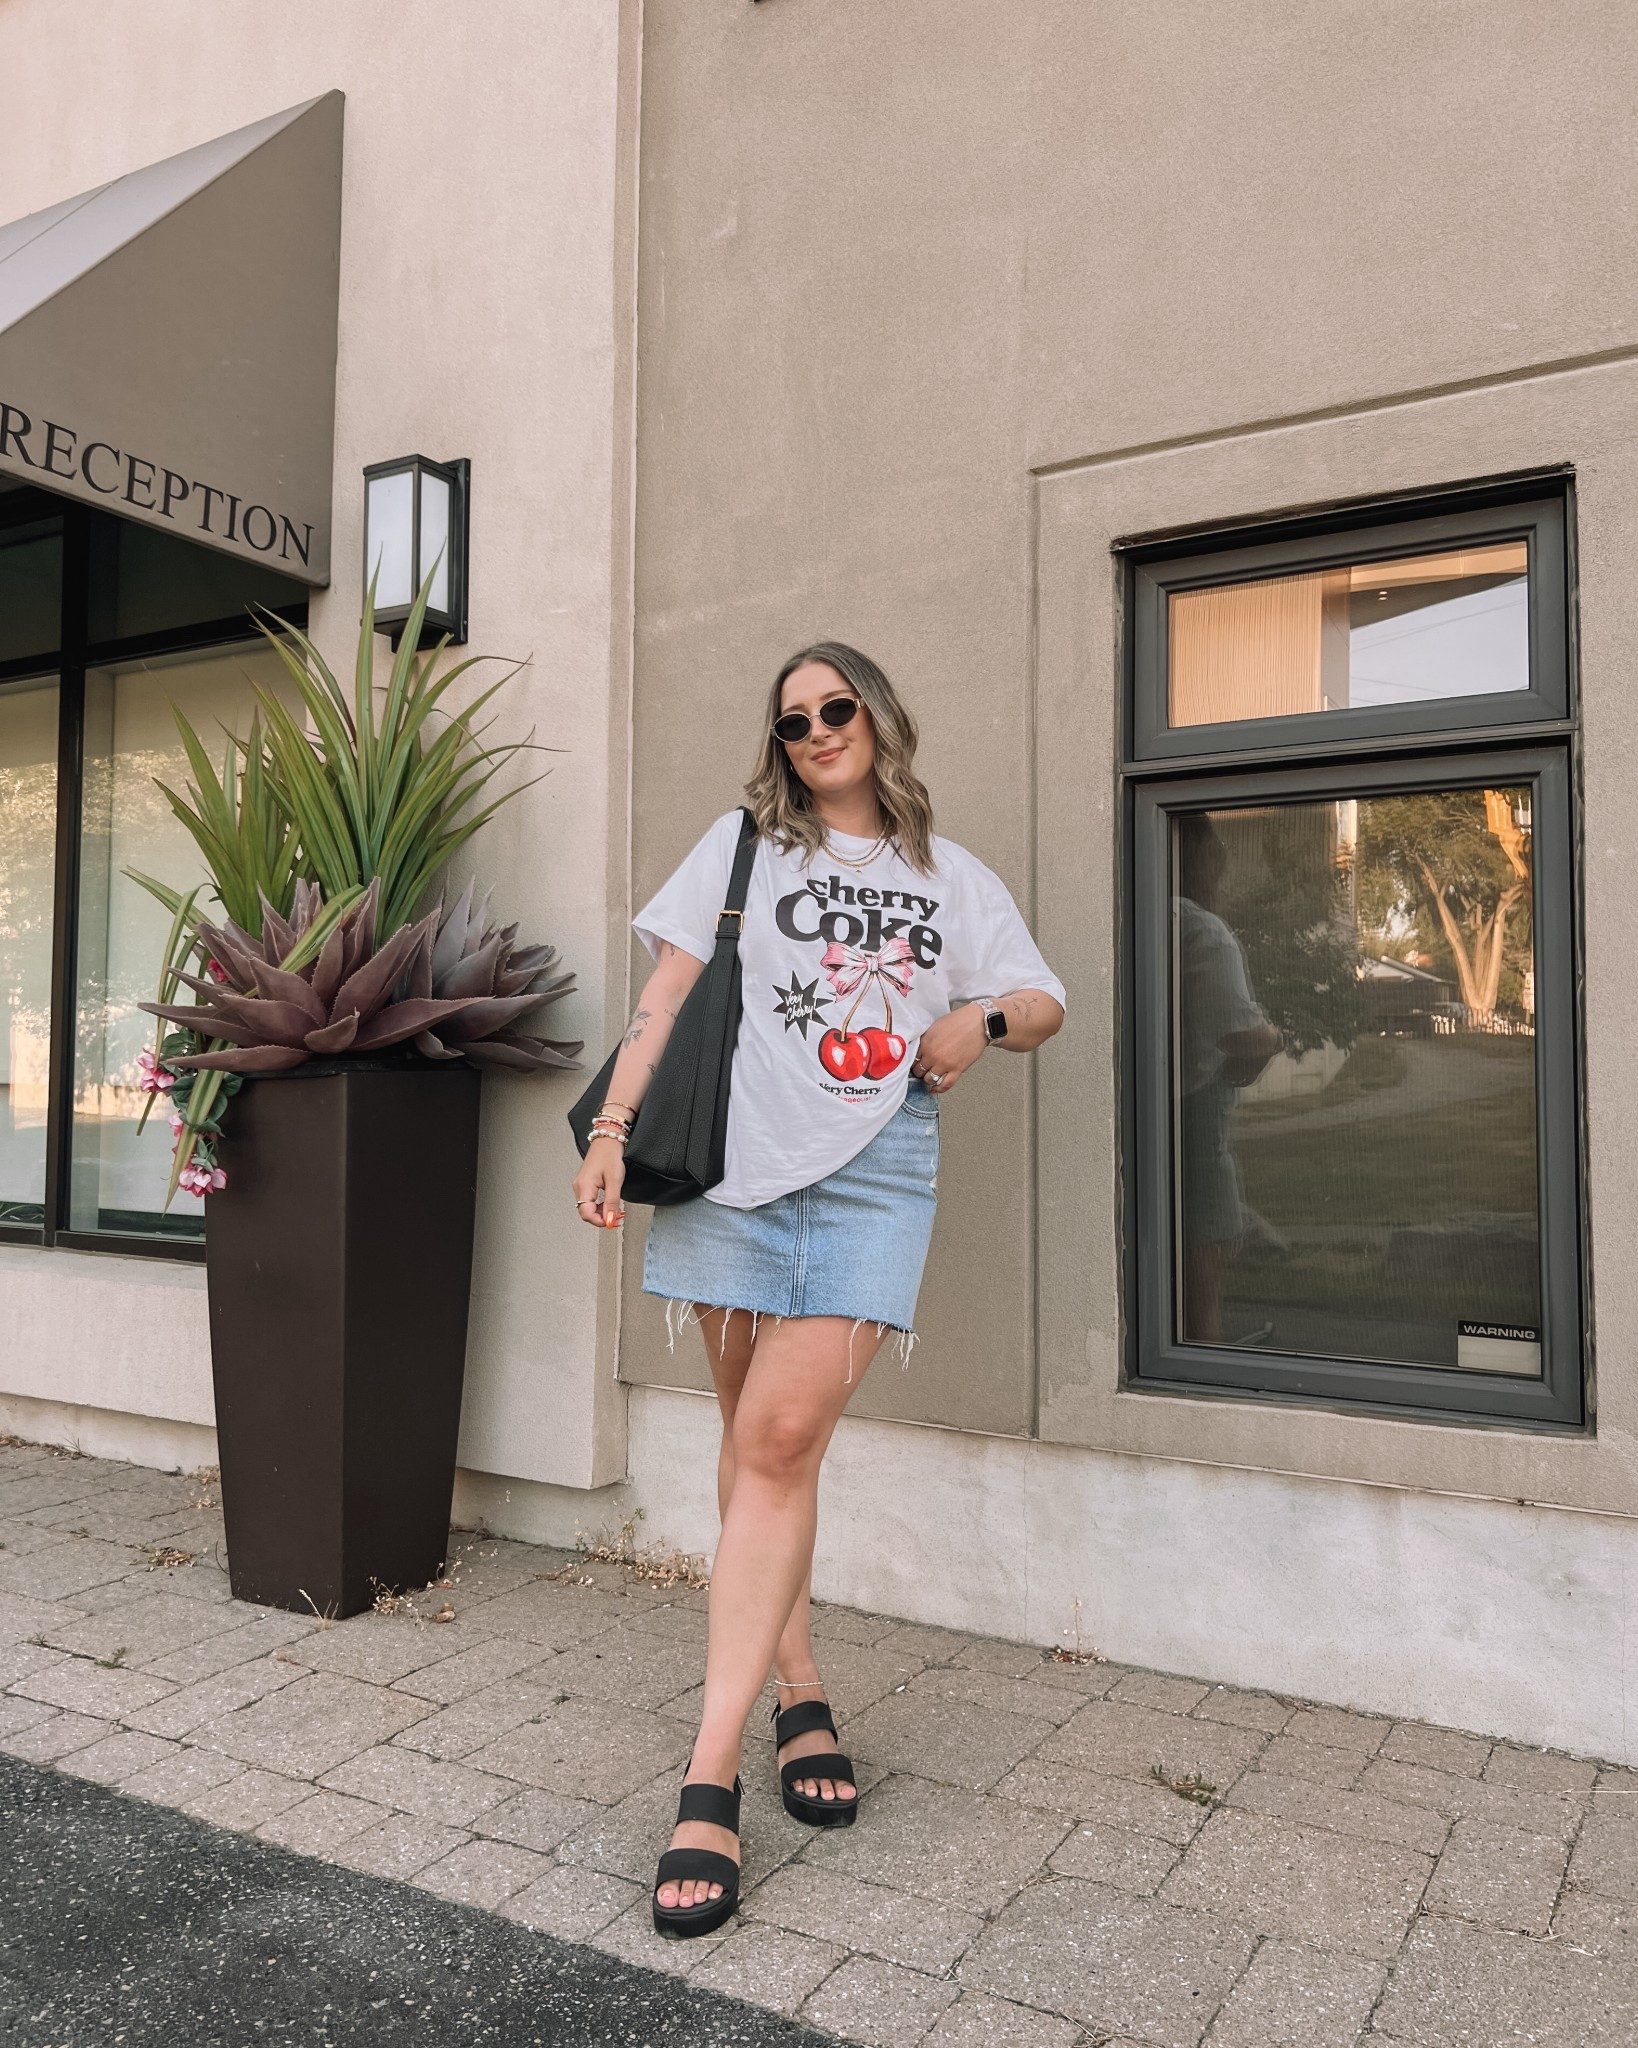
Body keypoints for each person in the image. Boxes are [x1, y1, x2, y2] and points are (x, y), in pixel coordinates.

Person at [570, 641, 1066, 1939]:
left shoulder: (945, 877)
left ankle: (706, 1773)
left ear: (876, 718)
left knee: (780, 1442)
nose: (816, 730)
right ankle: (800, 1689)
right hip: (734, 1171)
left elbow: (1042, 994)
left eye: (835, 708)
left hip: (874, 1176)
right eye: (793, 719)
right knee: (756, 1452)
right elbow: (668, 992)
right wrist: (612, 1129)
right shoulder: (744, 848)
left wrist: (982, 1024)